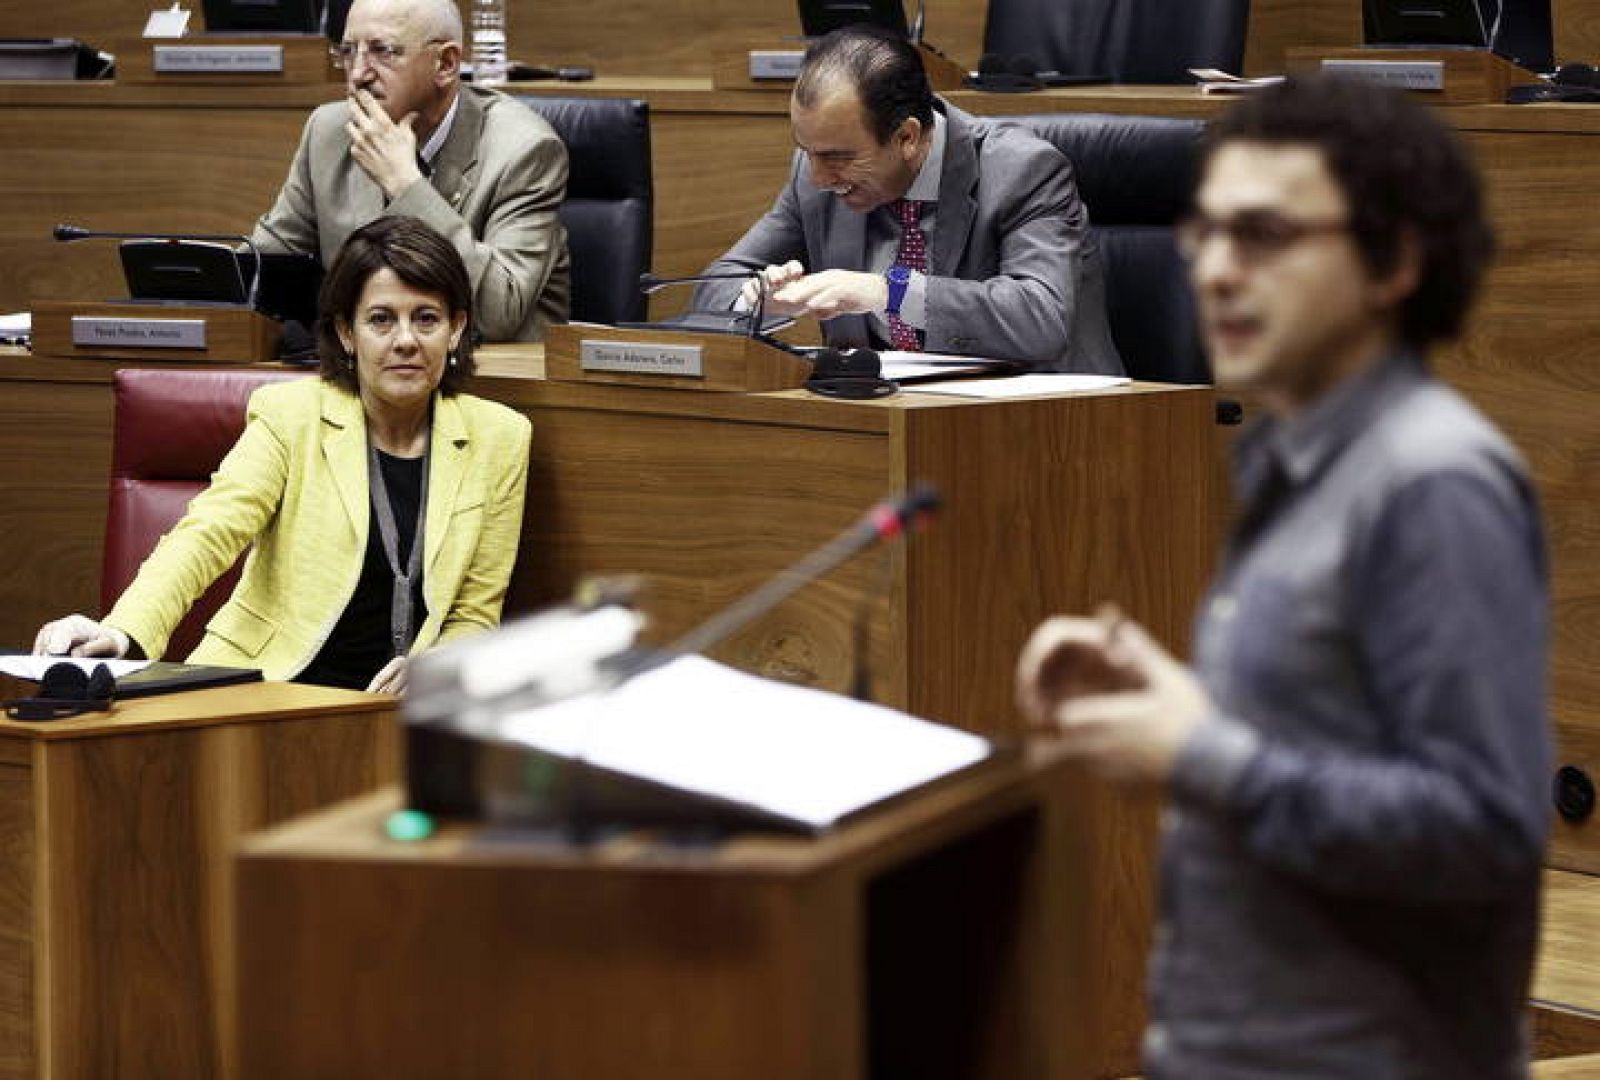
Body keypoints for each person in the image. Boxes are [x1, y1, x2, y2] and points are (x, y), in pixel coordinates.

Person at [1015, 75, 1550, 1077]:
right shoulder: (1292, 457)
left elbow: (1481, 832)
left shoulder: (1432, 484)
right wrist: (1175, 696)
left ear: (1393, 260)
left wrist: (1201, 751)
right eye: (1206, 233)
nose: (1217, 271)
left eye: (1263, 235)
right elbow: (1327, 738)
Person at [35, 216, 532, 695]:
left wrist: (435, 667)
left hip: (396, 708)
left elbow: (475, 612)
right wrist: (123, 630)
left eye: (426, 319)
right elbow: (207, 533)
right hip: (271, 687)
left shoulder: (501, 438)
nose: (405, 340)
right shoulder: (291, 415)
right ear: (346, 333)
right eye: (381, 320)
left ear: (455, 329)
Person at [694, 26, 1122, 374]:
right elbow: (713, 289)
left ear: (907, 137)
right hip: (892, 422)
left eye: (837, 158)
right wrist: (759, 301)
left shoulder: (1023, 171)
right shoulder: (814, 179)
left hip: (1052, 428)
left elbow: (1041, 318)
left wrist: (890, 292)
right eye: (808, 152)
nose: (819, 177)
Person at [251, 0, 570, 342]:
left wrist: (406, 186)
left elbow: (498, 313)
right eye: (348, 51)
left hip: (484, 368)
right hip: (362, 365)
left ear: (446, 64)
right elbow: (263, 265)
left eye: (382, 51)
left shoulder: (524, 150)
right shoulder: (329, 131)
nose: (358, 74)